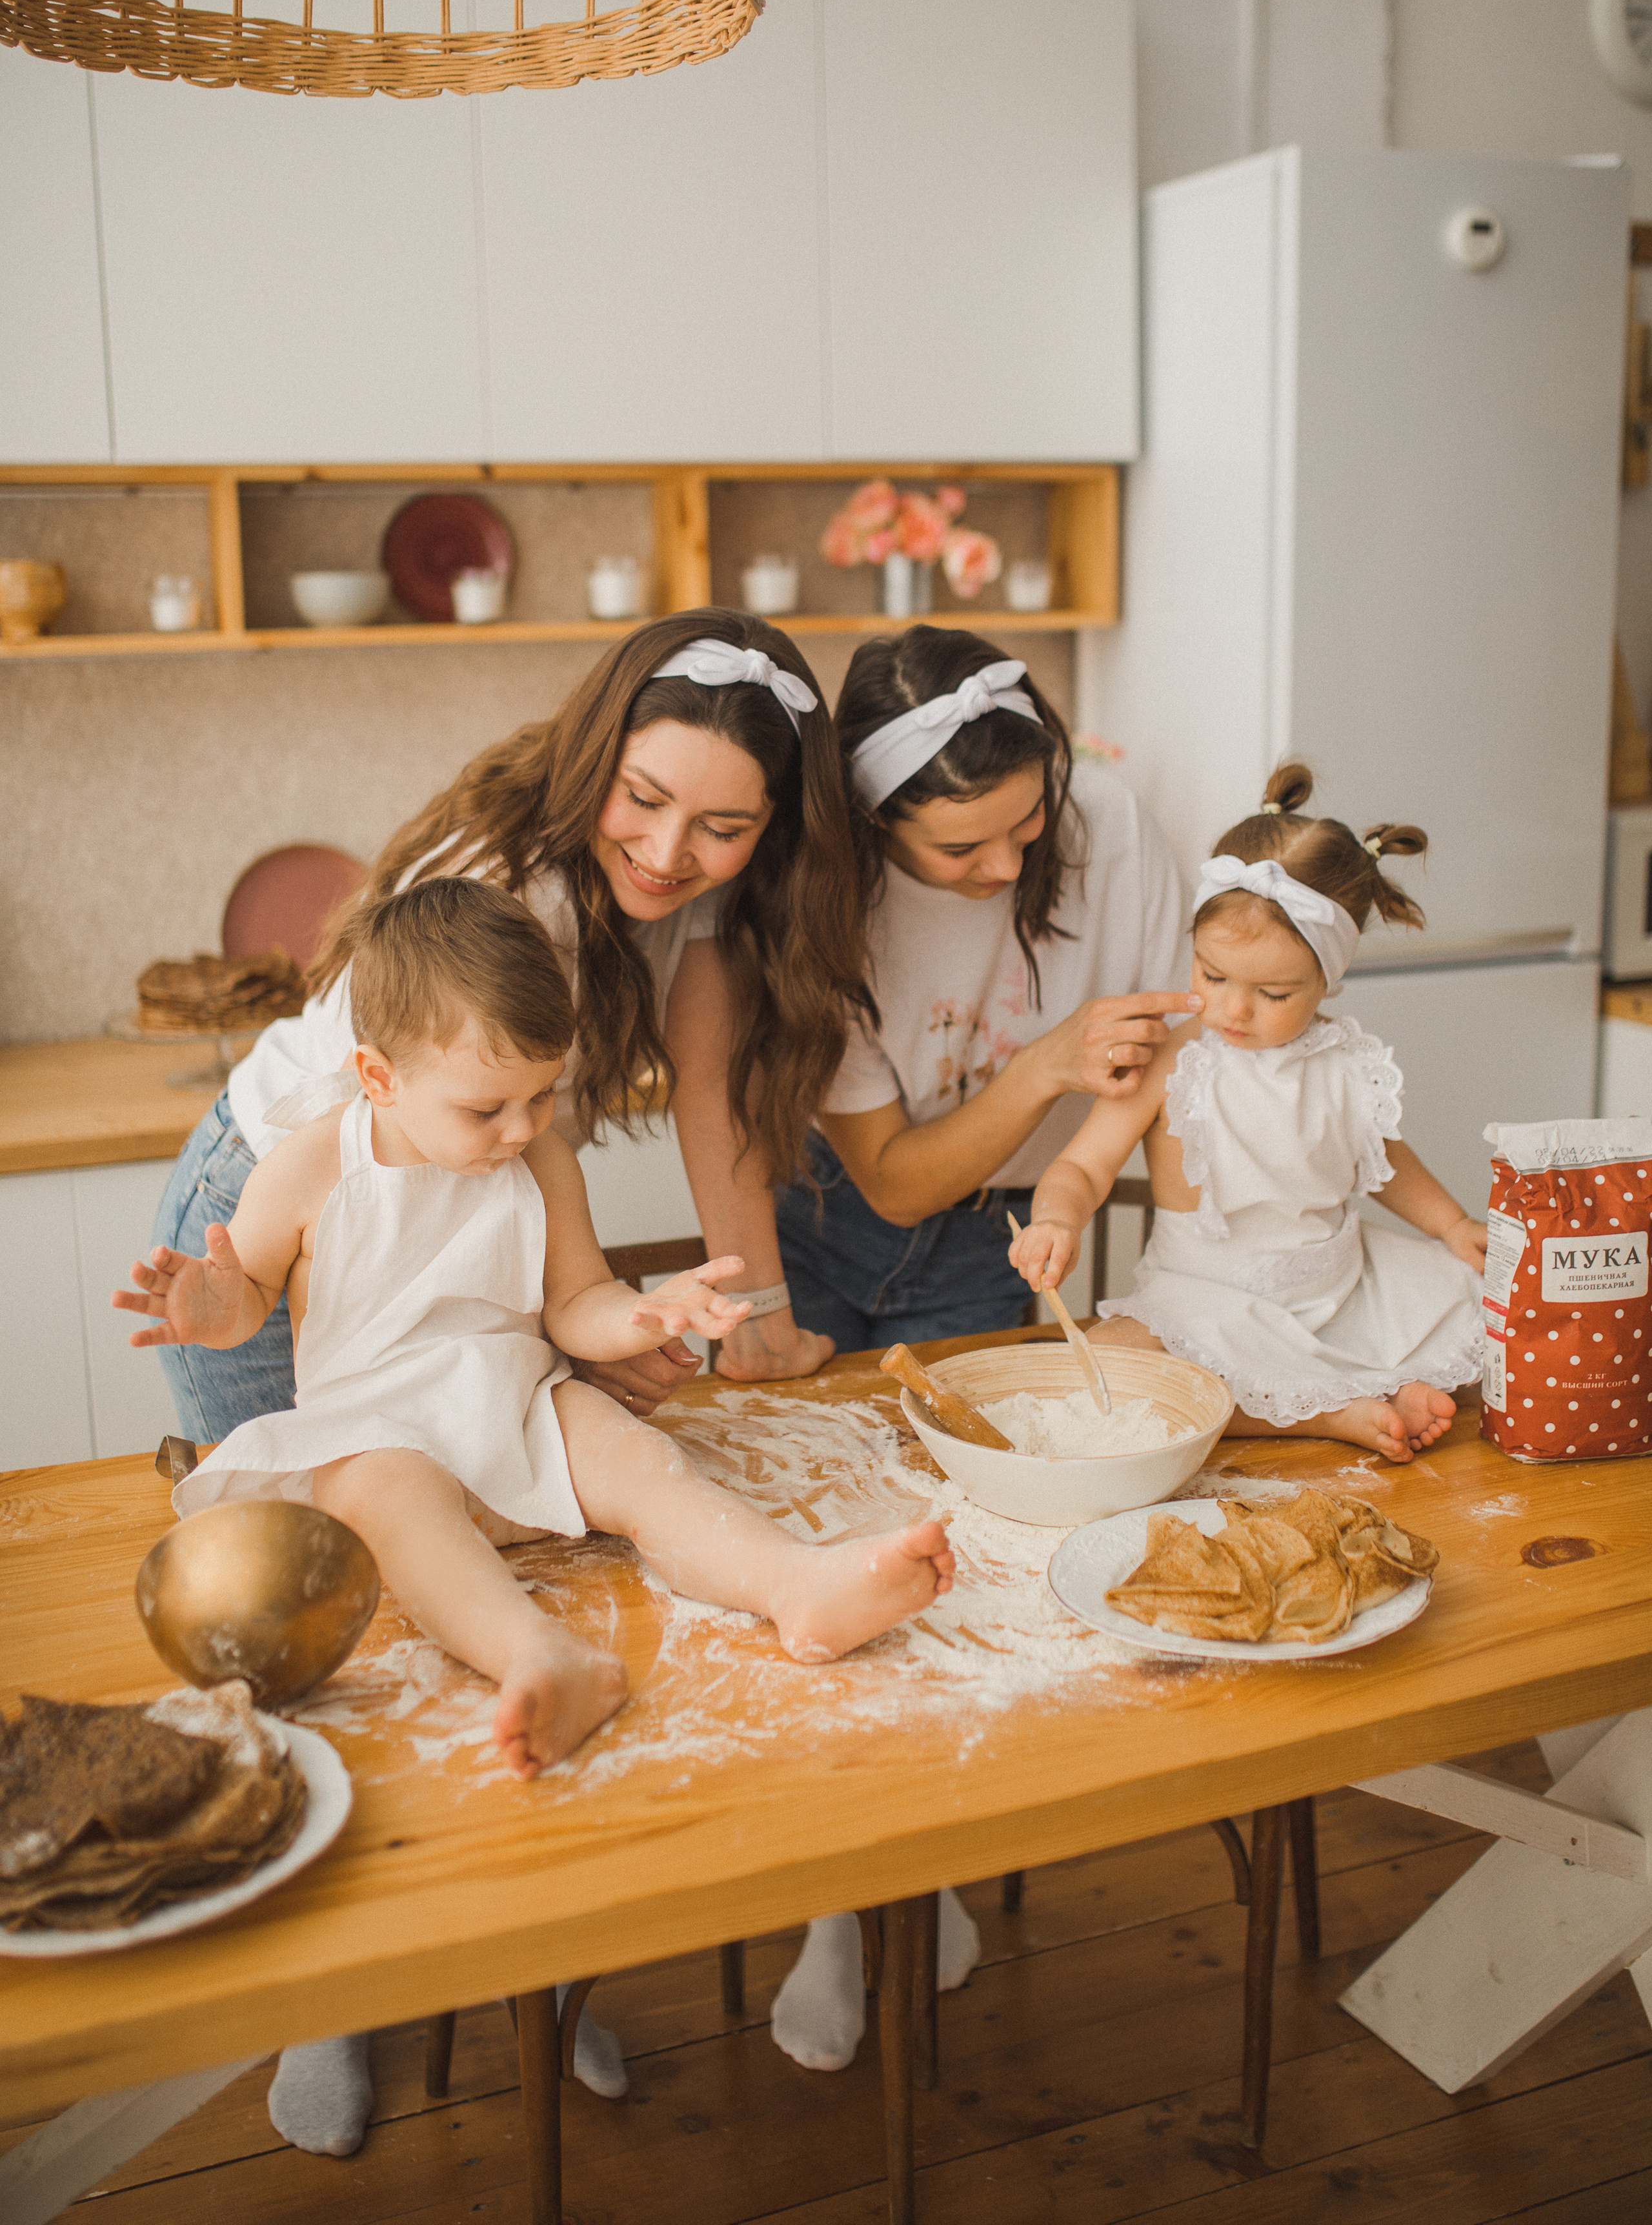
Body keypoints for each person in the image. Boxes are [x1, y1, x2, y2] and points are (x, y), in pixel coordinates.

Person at [118, 880, 954, 1764]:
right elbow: (245, 1296)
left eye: (543, 1094)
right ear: (379, 1077)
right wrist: (215, 1306)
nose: (521, 1129)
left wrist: (642, 1313)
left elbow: (576, 1304)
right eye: (487, 1108)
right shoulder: (312, 1163)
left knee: (639, 1460)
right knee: (384, 1501)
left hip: (518, 1407)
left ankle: (797, 1584)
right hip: (377, 1432)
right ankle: (540, 1656)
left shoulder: (541, 1158)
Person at [767, 627, 1197, 2073]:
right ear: (873, 823)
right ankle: (838, 1894)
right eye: (961, 848)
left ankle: (919, 1872)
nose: (1010, 867)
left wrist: (1072, 1182)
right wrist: (1041, 1063)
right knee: (821, 1552)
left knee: (949, 1563)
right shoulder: (815, 902)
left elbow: (1148, 1060)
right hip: (830, 1221)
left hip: (998, 1234)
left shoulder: (1112, 828)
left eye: (1028, 824)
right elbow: (891, 1178)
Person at [151, 609, 871, 1454]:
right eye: (643, 798)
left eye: (724, 830)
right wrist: (569, 1332)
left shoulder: (710, 899)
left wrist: (752, 1321)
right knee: (302, 1528)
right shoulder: (508, 887)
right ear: (597, 755)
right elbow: (410, 1177)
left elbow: (711, 1091)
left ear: (772, 826)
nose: (669, 852)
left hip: (459, 1190)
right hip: (282, 1203)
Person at [1009, 764, 1486, 1461]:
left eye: (1272, 992)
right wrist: (1057, 1217)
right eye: (1212, 976)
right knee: (1107, 1367)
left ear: (1327, 978)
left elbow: (1382, 1162)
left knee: (1493, 1299)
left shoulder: (1346, 1063)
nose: (1234, 1009)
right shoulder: (1172, 1060)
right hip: (1205, 1306)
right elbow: (1083, 1165)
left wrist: (1452, 1224)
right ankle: (1337, 1410)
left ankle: (1364, 1386)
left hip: (1340, 1297)